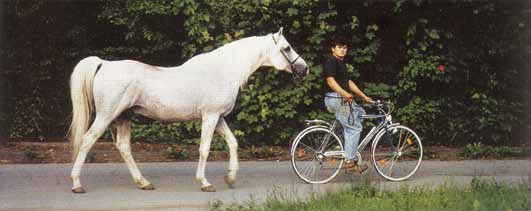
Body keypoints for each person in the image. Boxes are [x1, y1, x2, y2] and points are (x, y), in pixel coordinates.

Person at [322, 36, 372, 173]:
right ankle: (350, 162)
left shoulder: (341, 63)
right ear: (333, 49)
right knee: (354, 128)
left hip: (342, 99)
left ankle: (347, 144)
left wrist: (364, 97)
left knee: (361, 114)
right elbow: (330, 82)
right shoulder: (331, 61)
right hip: (338, 99)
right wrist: (345, 94)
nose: (343, 50)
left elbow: (348, 83)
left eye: (344, 47)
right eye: (339, 47)